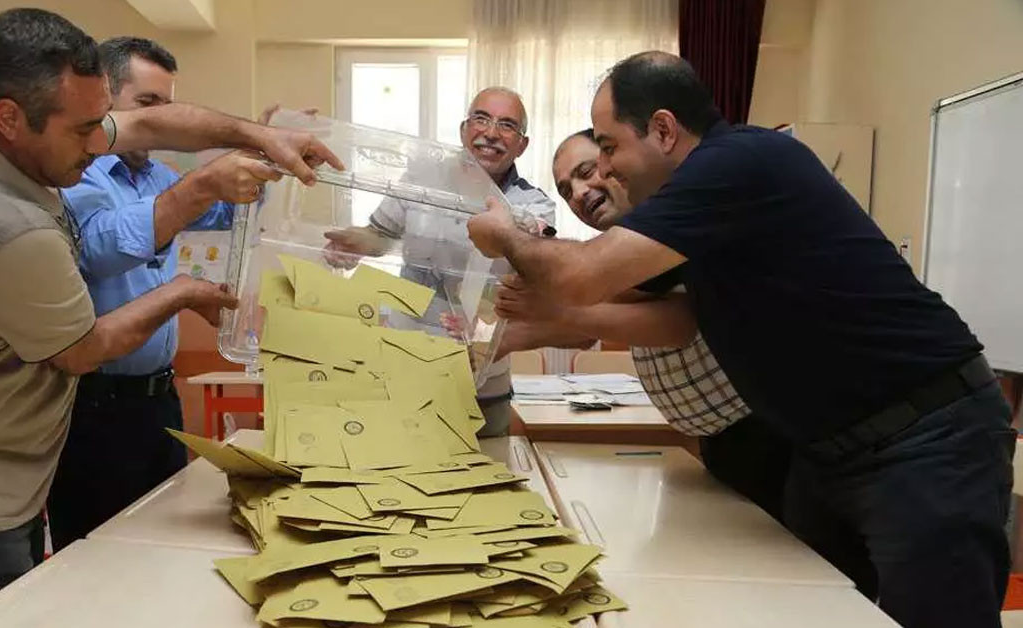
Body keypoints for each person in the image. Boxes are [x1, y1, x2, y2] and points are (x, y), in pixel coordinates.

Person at [467, 50, 1012, 628]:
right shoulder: (697, 203)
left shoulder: (737, 164)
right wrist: (537, 303)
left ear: (663, 129)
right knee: (802, 606)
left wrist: (507, 235)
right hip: (827, 451)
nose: (603, 169)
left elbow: (585, 278)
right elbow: (629, 294)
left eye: (607, 146)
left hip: (923, 439)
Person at [0, 9, 341, 628]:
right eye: (84, 132)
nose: (100, 142)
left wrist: (262, 138)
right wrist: (181, 290)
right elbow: (83, 348)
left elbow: (152, 122)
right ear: (9, 118)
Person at [497, 128, 790, 521]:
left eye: (587, 172)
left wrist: (551, 310)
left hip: (768, 432)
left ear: (614, 163)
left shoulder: (668, 225)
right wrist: (513, 335)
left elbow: (679, 323)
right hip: (719, 440)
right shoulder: (623, 247)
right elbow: (601, 321)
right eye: (567, 190)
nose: (580, 193)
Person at [45, 37, 237, 550]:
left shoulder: (159, 176)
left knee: (164, 545)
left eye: (168, 108)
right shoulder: (75, 176)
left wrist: (253, 161)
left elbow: (224, 212)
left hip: (158, 400)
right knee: (97, 558)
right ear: (104, 102)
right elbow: (100, 248)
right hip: (93, 407)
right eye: (148, 106)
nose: (162, 121)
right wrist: (197, 190)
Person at [324, 87, 557, 436]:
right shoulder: (420, 182)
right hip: (402, 364)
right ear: (465, 129)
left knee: (487, 473)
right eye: (481, 119)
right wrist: (355, 243)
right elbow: (380, 235)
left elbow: (541, 270)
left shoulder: (533, 204)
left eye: (507, 125)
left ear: (522, 144)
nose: (491, 133)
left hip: (480, 381)